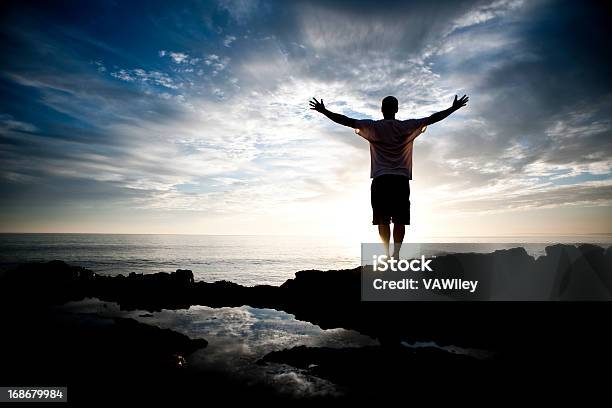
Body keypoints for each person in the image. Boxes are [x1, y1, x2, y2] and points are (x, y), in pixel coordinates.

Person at [309, 94, 469, 259]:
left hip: (381, 179)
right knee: (400, 219)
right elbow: (432, 118)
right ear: (397, 109)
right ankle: (396, 255)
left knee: (382, 219)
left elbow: (346, 120)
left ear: (382, 109)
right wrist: (453, 108)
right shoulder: (407, 126)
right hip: (400, 179)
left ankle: (386, 254)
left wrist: (324, 111)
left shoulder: (373, 127)